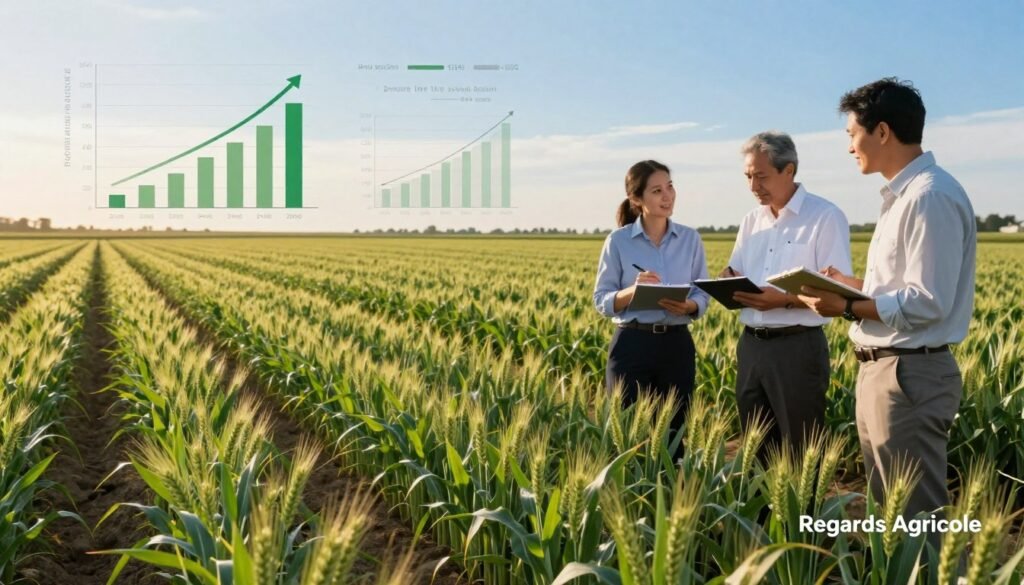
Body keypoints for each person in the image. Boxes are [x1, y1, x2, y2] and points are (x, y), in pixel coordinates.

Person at [799, 78, 976, 524]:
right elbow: (905, 286)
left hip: (908, 374)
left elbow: (927, 301)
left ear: (881, 131)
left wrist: (844, 307)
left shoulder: (928, 196)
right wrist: (853, 286)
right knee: (892, 517)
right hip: (888, 370)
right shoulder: (905, 196)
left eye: (851, 134)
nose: (849, 147)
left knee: (917, 521)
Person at [723, 131, 852, 454]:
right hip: (751, 346)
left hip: (797, 348)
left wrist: (782, 300)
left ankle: (801, 493)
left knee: (801, 449)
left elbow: (837, 292)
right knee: (756, 450)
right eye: (748, 177)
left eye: (761, 176)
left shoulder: (825, 216)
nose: (753, 186)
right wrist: (728, 280)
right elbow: (735, 270)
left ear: (789, 170)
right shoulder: (751, 221)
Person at [593, 160, 710, 438]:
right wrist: (632, 292)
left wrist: (690, 306)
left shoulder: (690, 239)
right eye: (657, 191)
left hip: (677, 346)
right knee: (628, 435)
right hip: (632, 344)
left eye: (670, 187)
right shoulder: (618, 241)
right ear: (636, 199)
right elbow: (601, 300)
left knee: (674, 435)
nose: (667, 196)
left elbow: (701, 292)